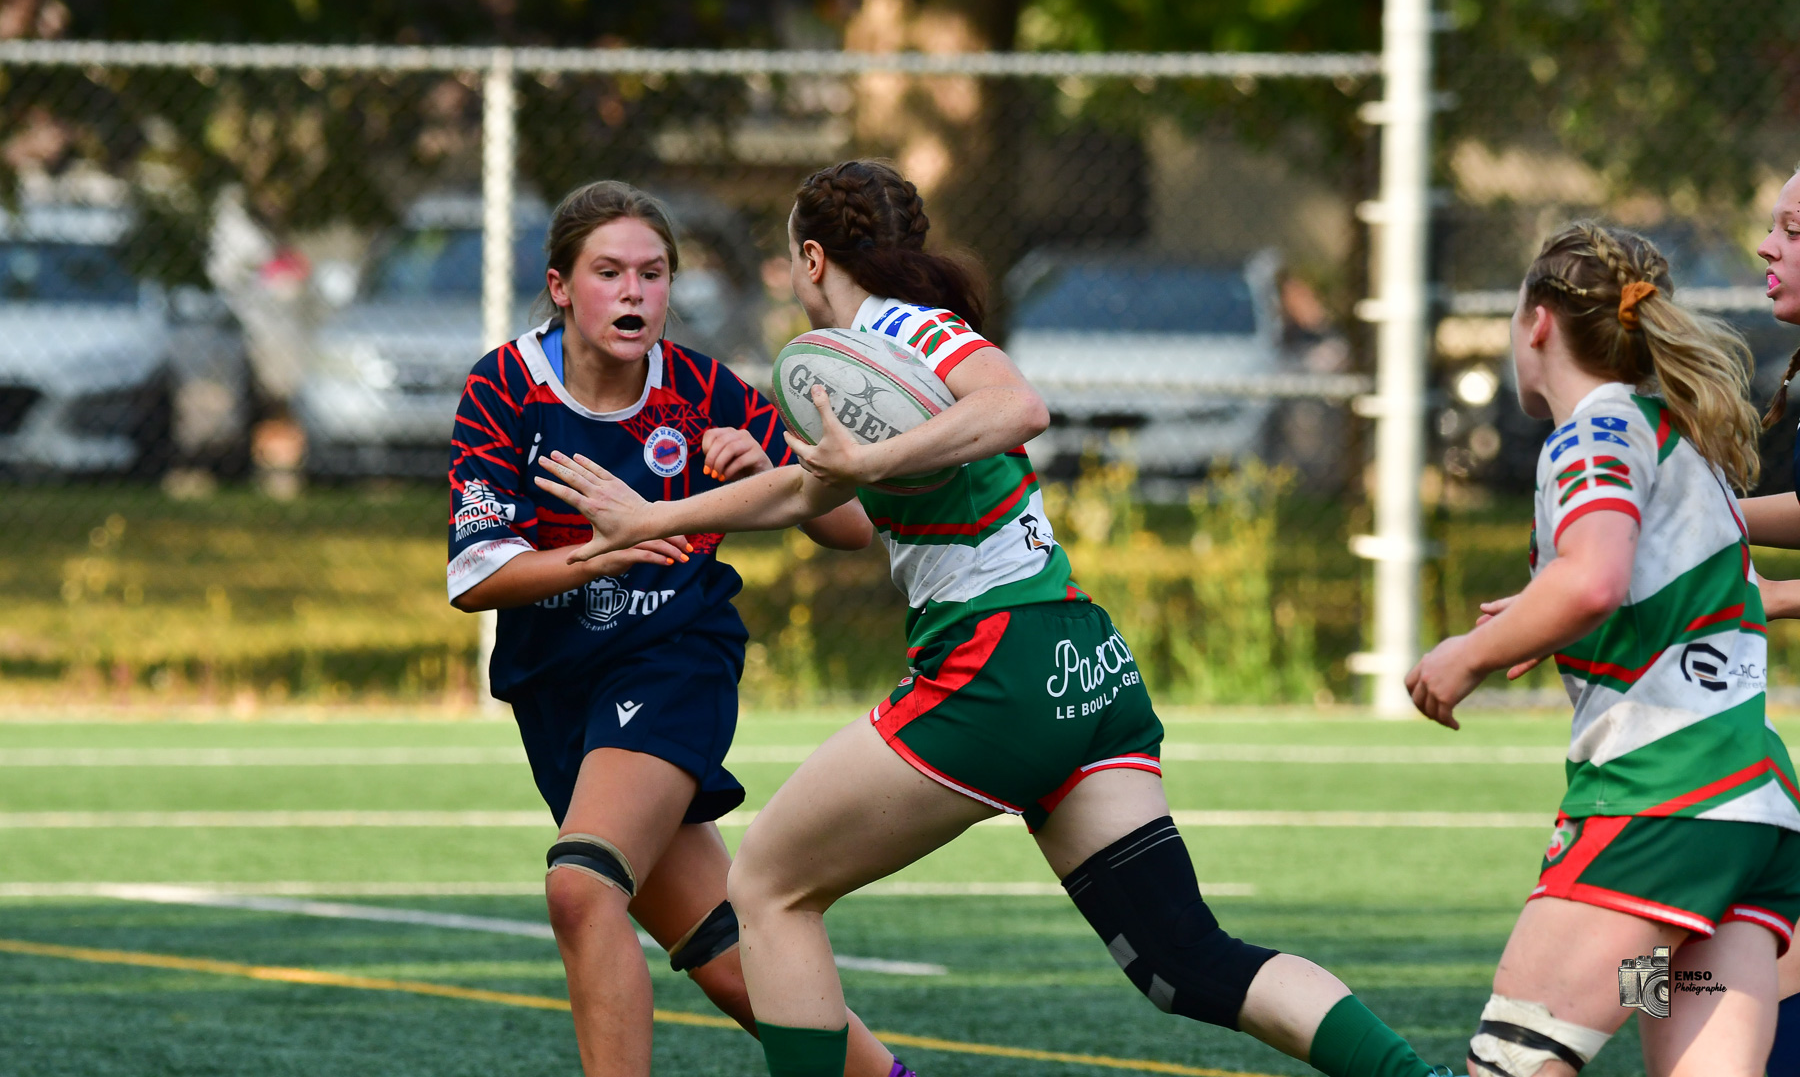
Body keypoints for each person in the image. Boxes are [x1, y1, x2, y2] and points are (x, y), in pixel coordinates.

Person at [534, 158, 1452, 1077]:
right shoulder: (874, 367)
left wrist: (837, 475)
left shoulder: (903, 330)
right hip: (1083, 664)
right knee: (1184, 962)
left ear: (812, 260)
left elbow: (1018, 406)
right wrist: (661, 516)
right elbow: (808, 494)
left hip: (995, 666)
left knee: (768, 887)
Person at [447, 179, 913, 1077]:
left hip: (670, 663)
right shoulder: (505, 388)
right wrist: (611, 550)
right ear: (560, 287)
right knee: (737, 968)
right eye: (609, 272)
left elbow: (850, 530)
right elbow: (478, 577)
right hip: (558, 694)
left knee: (581, 889)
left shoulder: (705, 389)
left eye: (653, 274)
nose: (634, 293)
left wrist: (778, 477)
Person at [1405, 222, 1800, 1077]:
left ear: (1537, 321)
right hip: (1745, 839)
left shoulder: (1593, 432)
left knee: (1510, 1065)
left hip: (1659, 816)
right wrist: (1540, 614)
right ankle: (1634, 976)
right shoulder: (1673, 435)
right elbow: (1633, 588)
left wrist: (1462, 658)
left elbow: (1595, 580)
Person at [1734, 167, 1800, 1077]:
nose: (1766, 245)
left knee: (1626, 977)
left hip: (1670, 797)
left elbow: (1585, 593)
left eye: (1792, 228)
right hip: (1722, 779)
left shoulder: (1613, 466)